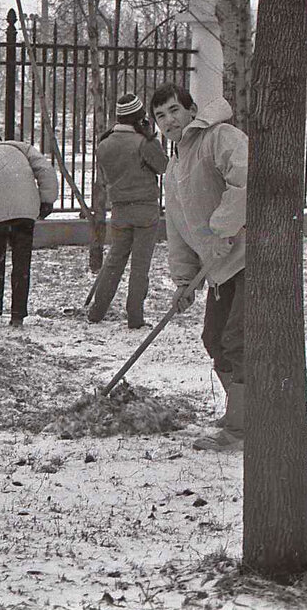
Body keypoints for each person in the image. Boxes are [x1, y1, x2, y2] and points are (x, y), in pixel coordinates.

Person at [150, 83, 246, 452]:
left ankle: (241, 430)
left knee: (238, 340)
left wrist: (224, 228)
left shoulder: (220, 137)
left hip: (246, 258)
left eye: (174, 110)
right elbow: (178, 226)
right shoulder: (174, 166)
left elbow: (244, 181)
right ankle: (240, 411)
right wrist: (184, 280)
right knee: (214, 339)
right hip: (218, 268)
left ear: (190, 110)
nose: (169, 120)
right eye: (160, 116)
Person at [87, 93, 169, 329]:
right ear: (139, 117)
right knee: (140, 265)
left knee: (114, 262)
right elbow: (162, 167)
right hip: (145, 209)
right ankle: (135, 317)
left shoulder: (104, 144)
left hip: (120, 210)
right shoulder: (144, 142)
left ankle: (96, 311)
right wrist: (151, 135)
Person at [0, 130, 58, 327]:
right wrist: (47, 200)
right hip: (25, 211)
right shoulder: (21, 149)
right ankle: (18, 315)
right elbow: (45, 169)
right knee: (21, 263)